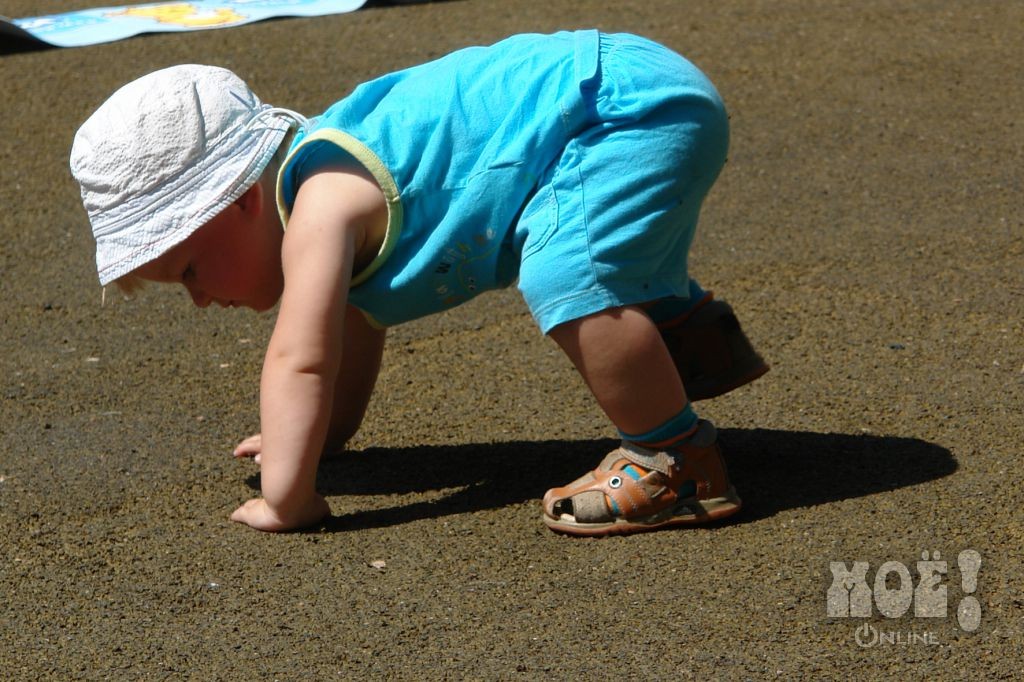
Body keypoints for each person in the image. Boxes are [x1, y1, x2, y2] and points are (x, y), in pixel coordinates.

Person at [70, 30, 768, 535]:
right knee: (582, 244)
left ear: (239, 200)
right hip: (625, 95)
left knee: (565, 269)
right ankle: (676, 329)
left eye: (189, 269)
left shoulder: (319, 207)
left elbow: (301, 358)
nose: (198, 299)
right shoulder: (320, 201)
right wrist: (315, 441)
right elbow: (349, 334)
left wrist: (288, 497)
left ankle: (676, 459)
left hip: (619, 110)